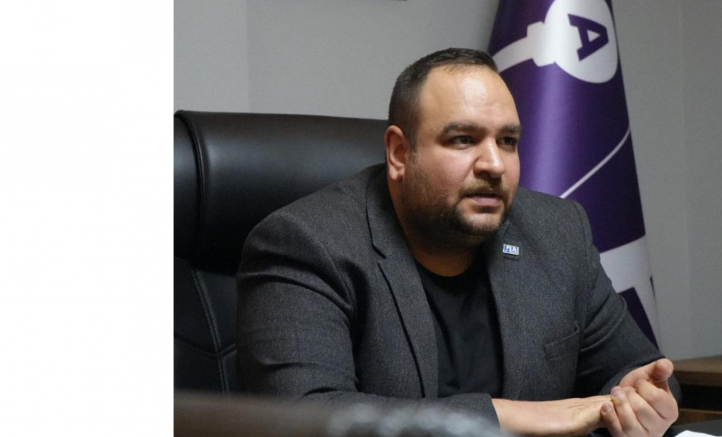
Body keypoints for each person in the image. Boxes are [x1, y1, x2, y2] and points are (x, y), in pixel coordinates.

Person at [237, 48, 679, 437]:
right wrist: (508, 417)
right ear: (398, 153)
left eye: (508, 141)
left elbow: (641, 373)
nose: (494, 164)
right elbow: (305, 418)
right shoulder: (307, 243)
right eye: (463, 139)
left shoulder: (557, 232)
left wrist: (642, 404)